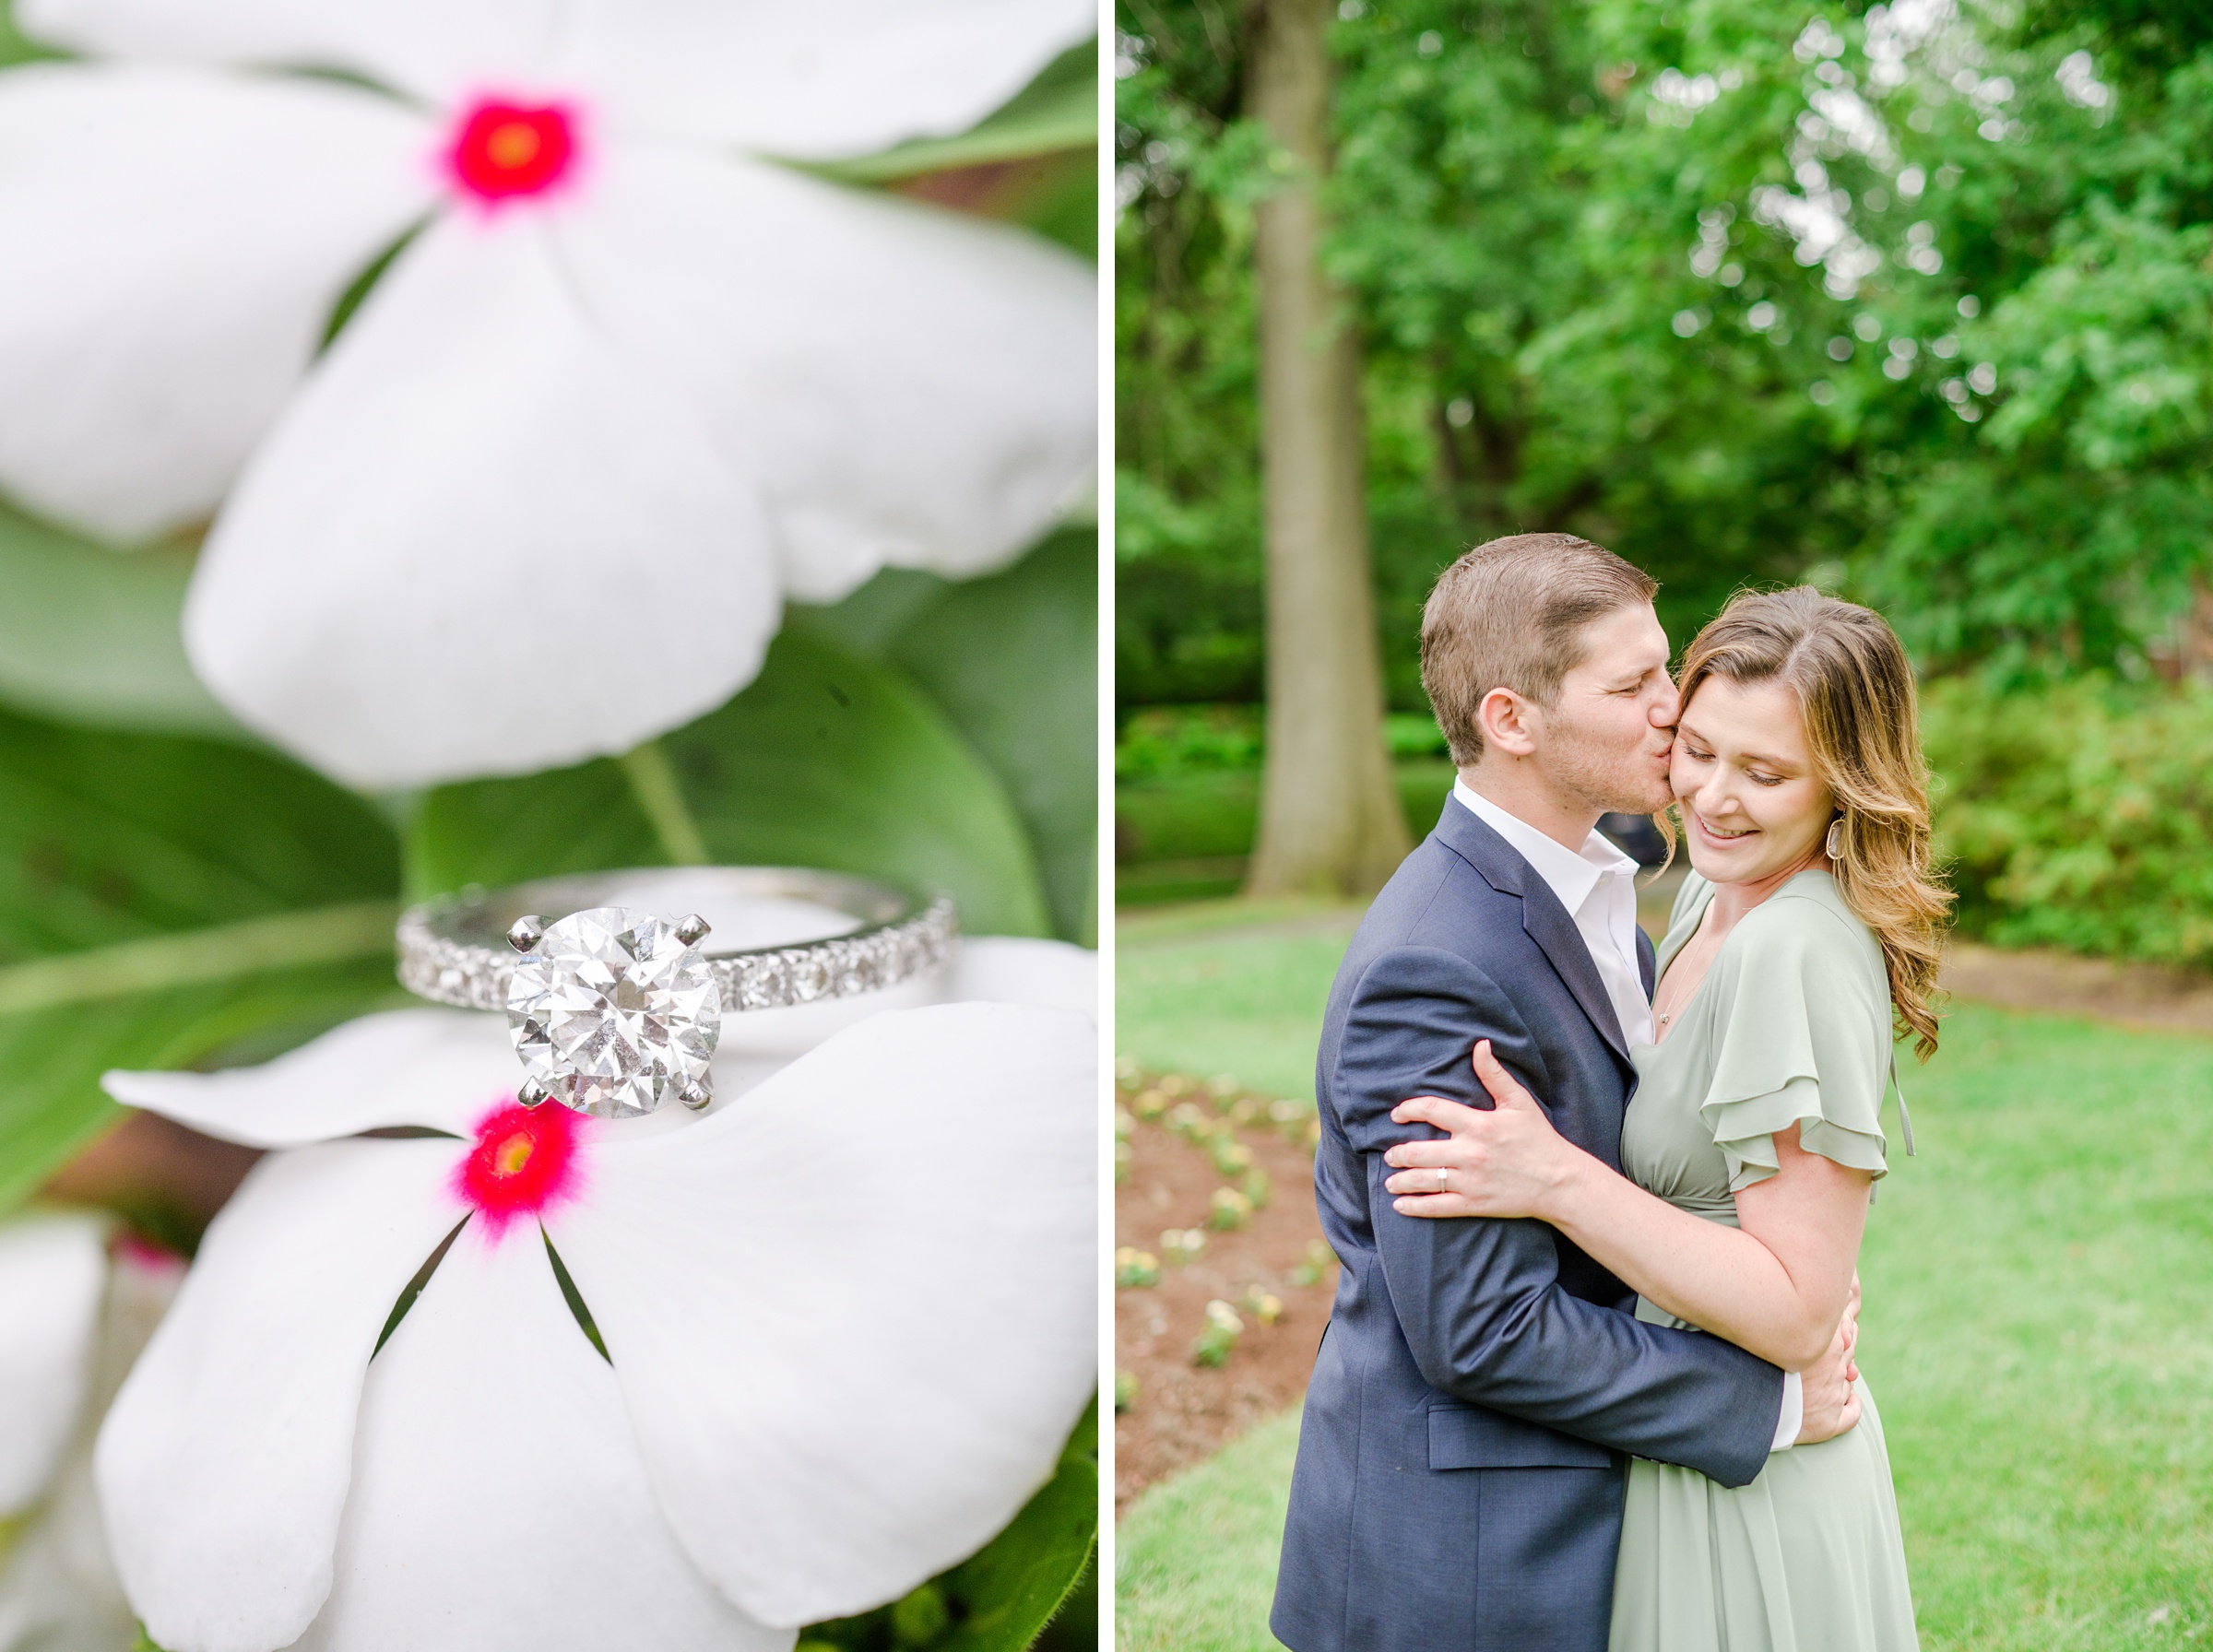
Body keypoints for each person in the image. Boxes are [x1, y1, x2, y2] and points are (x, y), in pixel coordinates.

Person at [1271, 537, 1865, 1652]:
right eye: (1633, 684)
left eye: (1667, 669)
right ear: (1512, 719)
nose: (1672, 709)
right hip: (1471, 1564)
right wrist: (1770, 1399)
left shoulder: (1604, 893)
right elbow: (1486, 1327)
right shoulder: (1435, 966)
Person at [1382, 584, 1947, 1650]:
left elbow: (1796, 1312)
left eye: (1767, 773)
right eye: (1697, 749)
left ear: (1845, 785)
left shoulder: (1794, 949)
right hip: (1679, 1420)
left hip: (1753, 1467)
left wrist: (1554, 1178)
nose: (1712, 798)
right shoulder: (1706, 899)